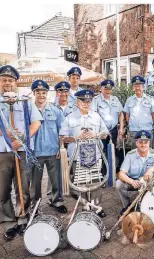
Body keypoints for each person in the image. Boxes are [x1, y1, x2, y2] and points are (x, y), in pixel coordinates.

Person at [0, 65, 43, 240]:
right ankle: (8, 223)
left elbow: (36, 123)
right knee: (2, 190)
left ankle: (22, 218)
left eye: (11, 80)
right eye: (4, 80)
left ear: (15, 82)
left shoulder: (25, 101)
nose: (7, 83)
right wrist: (4, 131)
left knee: (23, 188)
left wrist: (23, 139)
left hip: (22, 151)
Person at [59, 89, 109, 217]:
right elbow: (63, 138)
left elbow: (105, 134)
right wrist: (77, 137)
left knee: (95, 182)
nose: (86, 103)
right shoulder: (69, 118)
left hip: (95, 155)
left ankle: (97, 207)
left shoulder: (96, 116)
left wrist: (95, 134)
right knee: (81, 183)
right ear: (77, 101)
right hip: (77, 157)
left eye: (89, 101)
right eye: (83, 100)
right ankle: (85, 207)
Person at [30, 80, 67, 213]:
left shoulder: (55, 111)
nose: (41, 95)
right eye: (38, 92)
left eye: (44, 92)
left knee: (56, 179)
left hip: (53, 151)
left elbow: (62, 131)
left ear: (47, 94)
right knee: (35, 182)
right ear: (34, 93)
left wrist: (60, 147)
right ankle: (35, 206)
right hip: (35, 152)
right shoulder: (28, 110)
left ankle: (56, 200)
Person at [116, 130, 154, 214]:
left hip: (148, 183)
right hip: (134, 182)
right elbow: (121, 173)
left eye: (146, 142)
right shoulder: (130, 155)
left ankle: (151, 207)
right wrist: (131, 181)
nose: (143, 145)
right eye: (140, 142)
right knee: (119, 184)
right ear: (136, 143)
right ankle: (127, 207)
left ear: (149, 143)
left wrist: (151, 169)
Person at [124, 76, 154, 148]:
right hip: (134, 130)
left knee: (149, 152)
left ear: (143, 87)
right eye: (135, 85)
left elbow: (153, 115)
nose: (137, 87)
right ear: (133, 87)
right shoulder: (129, 100)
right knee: (134, 152)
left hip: (147, 129)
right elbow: (127, 115)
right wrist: (132, 124)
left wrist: (147, 123)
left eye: (139, 85)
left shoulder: (150, 99)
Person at [92, 79, 124, 149]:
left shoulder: (115, 99)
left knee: (113, 151)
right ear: (101, 89)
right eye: (106, 89)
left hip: (113, 130)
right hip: (101, 131)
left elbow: (121, 114)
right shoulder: (96, 100)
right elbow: (93, 115)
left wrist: (121, 128)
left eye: (110, 89)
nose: (108, 91)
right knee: (101, 150)